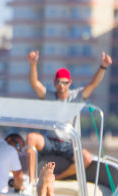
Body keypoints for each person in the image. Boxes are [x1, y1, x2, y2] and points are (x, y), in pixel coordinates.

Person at [24, 50, 112, 182]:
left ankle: (58, 177)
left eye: (64, 82)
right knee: (31, 138)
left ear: (69, 83)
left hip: (69, 144)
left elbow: (94, 83)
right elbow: (34, 83)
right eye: (59, 82)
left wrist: (103, 67)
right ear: (54, 83)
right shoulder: (49, 96)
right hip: (50, 141)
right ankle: (31, 181)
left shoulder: (77, 96)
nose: (61, 85)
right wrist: (33, 64)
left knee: (87, 158)